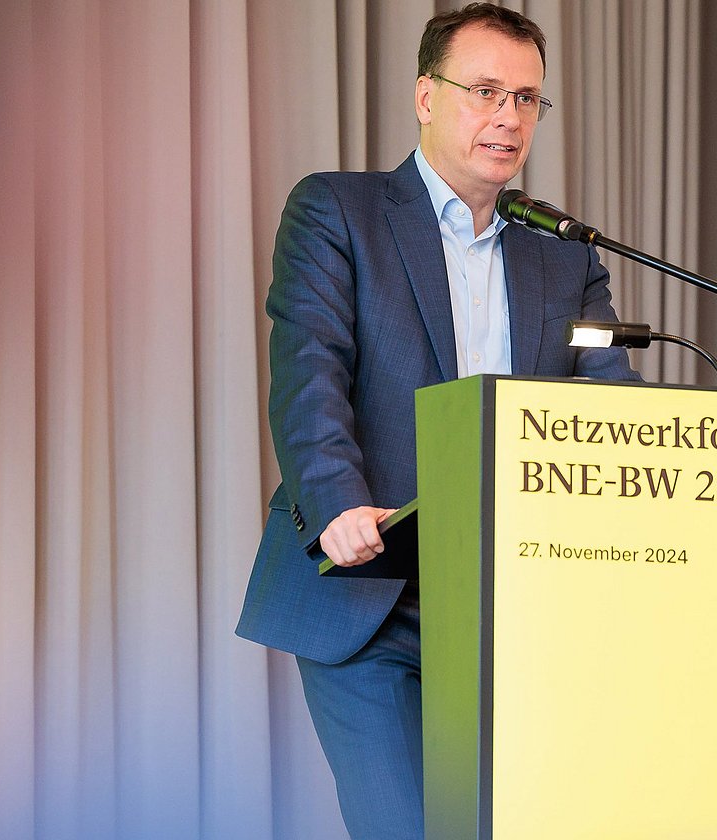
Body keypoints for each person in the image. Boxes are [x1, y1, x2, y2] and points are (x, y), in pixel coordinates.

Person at [236, 4, 639, 836]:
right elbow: (310, 372)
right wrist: (338, 503)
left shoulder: (565, 253)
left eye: (526, 98)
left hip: (509, 603)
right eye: (485, 91)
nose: (509, 117)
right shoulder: (339, 212)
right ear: (426, 97)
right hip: (372, 587)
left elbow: (606, 408)